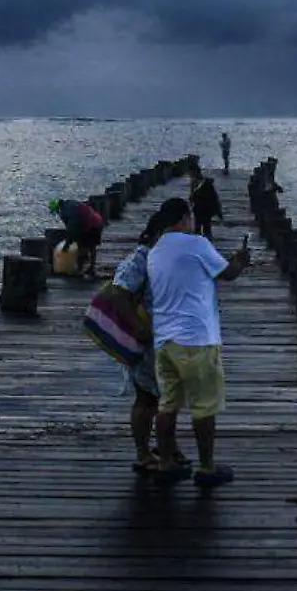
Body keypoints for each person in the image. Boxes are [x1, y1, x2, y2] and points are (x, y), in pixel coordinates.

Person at [148, 197, 252, 488]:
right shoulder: (197, 244)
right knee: (204, 406)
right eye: (190, 218)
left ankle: (167, 463)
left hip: (164, 340)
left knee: (167, 404)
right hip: (196, 339)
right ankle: (207, 468)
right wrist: (241, 260)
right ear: (184, 218)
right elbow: (228, 274)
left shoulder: (156, 251)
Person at [110, 198, 191, 474]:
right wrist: (138, 327)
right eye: (186, 221)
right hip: (148, 342)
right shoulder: (143, 256)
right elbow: (119, 292)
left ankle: (168, 447)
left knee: (169, 397)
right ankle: (144, 454)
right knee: (147, 399)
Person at [48, 197, 105, 279]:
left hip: (89, 225)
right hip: (97, 221)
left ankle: (80, 270)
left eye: (56, 211)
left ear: (58, 208)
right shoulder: (71, 203)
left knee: (82, 247)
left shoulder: (65, 211)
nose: (57, 213)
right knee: (92, 246)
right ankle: (91, 268)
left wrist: (67, 243)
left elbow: (72, 228)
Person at [188, 173, 223, 239]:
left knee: (201, 227)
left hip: (202, 211)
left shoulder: (202, 189)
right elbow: (216, 203)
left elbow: (192, 199)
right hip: (203, 212)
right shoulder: (211, 192)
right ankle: (203, 238)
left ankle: (200, 238)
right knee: (204, 227)